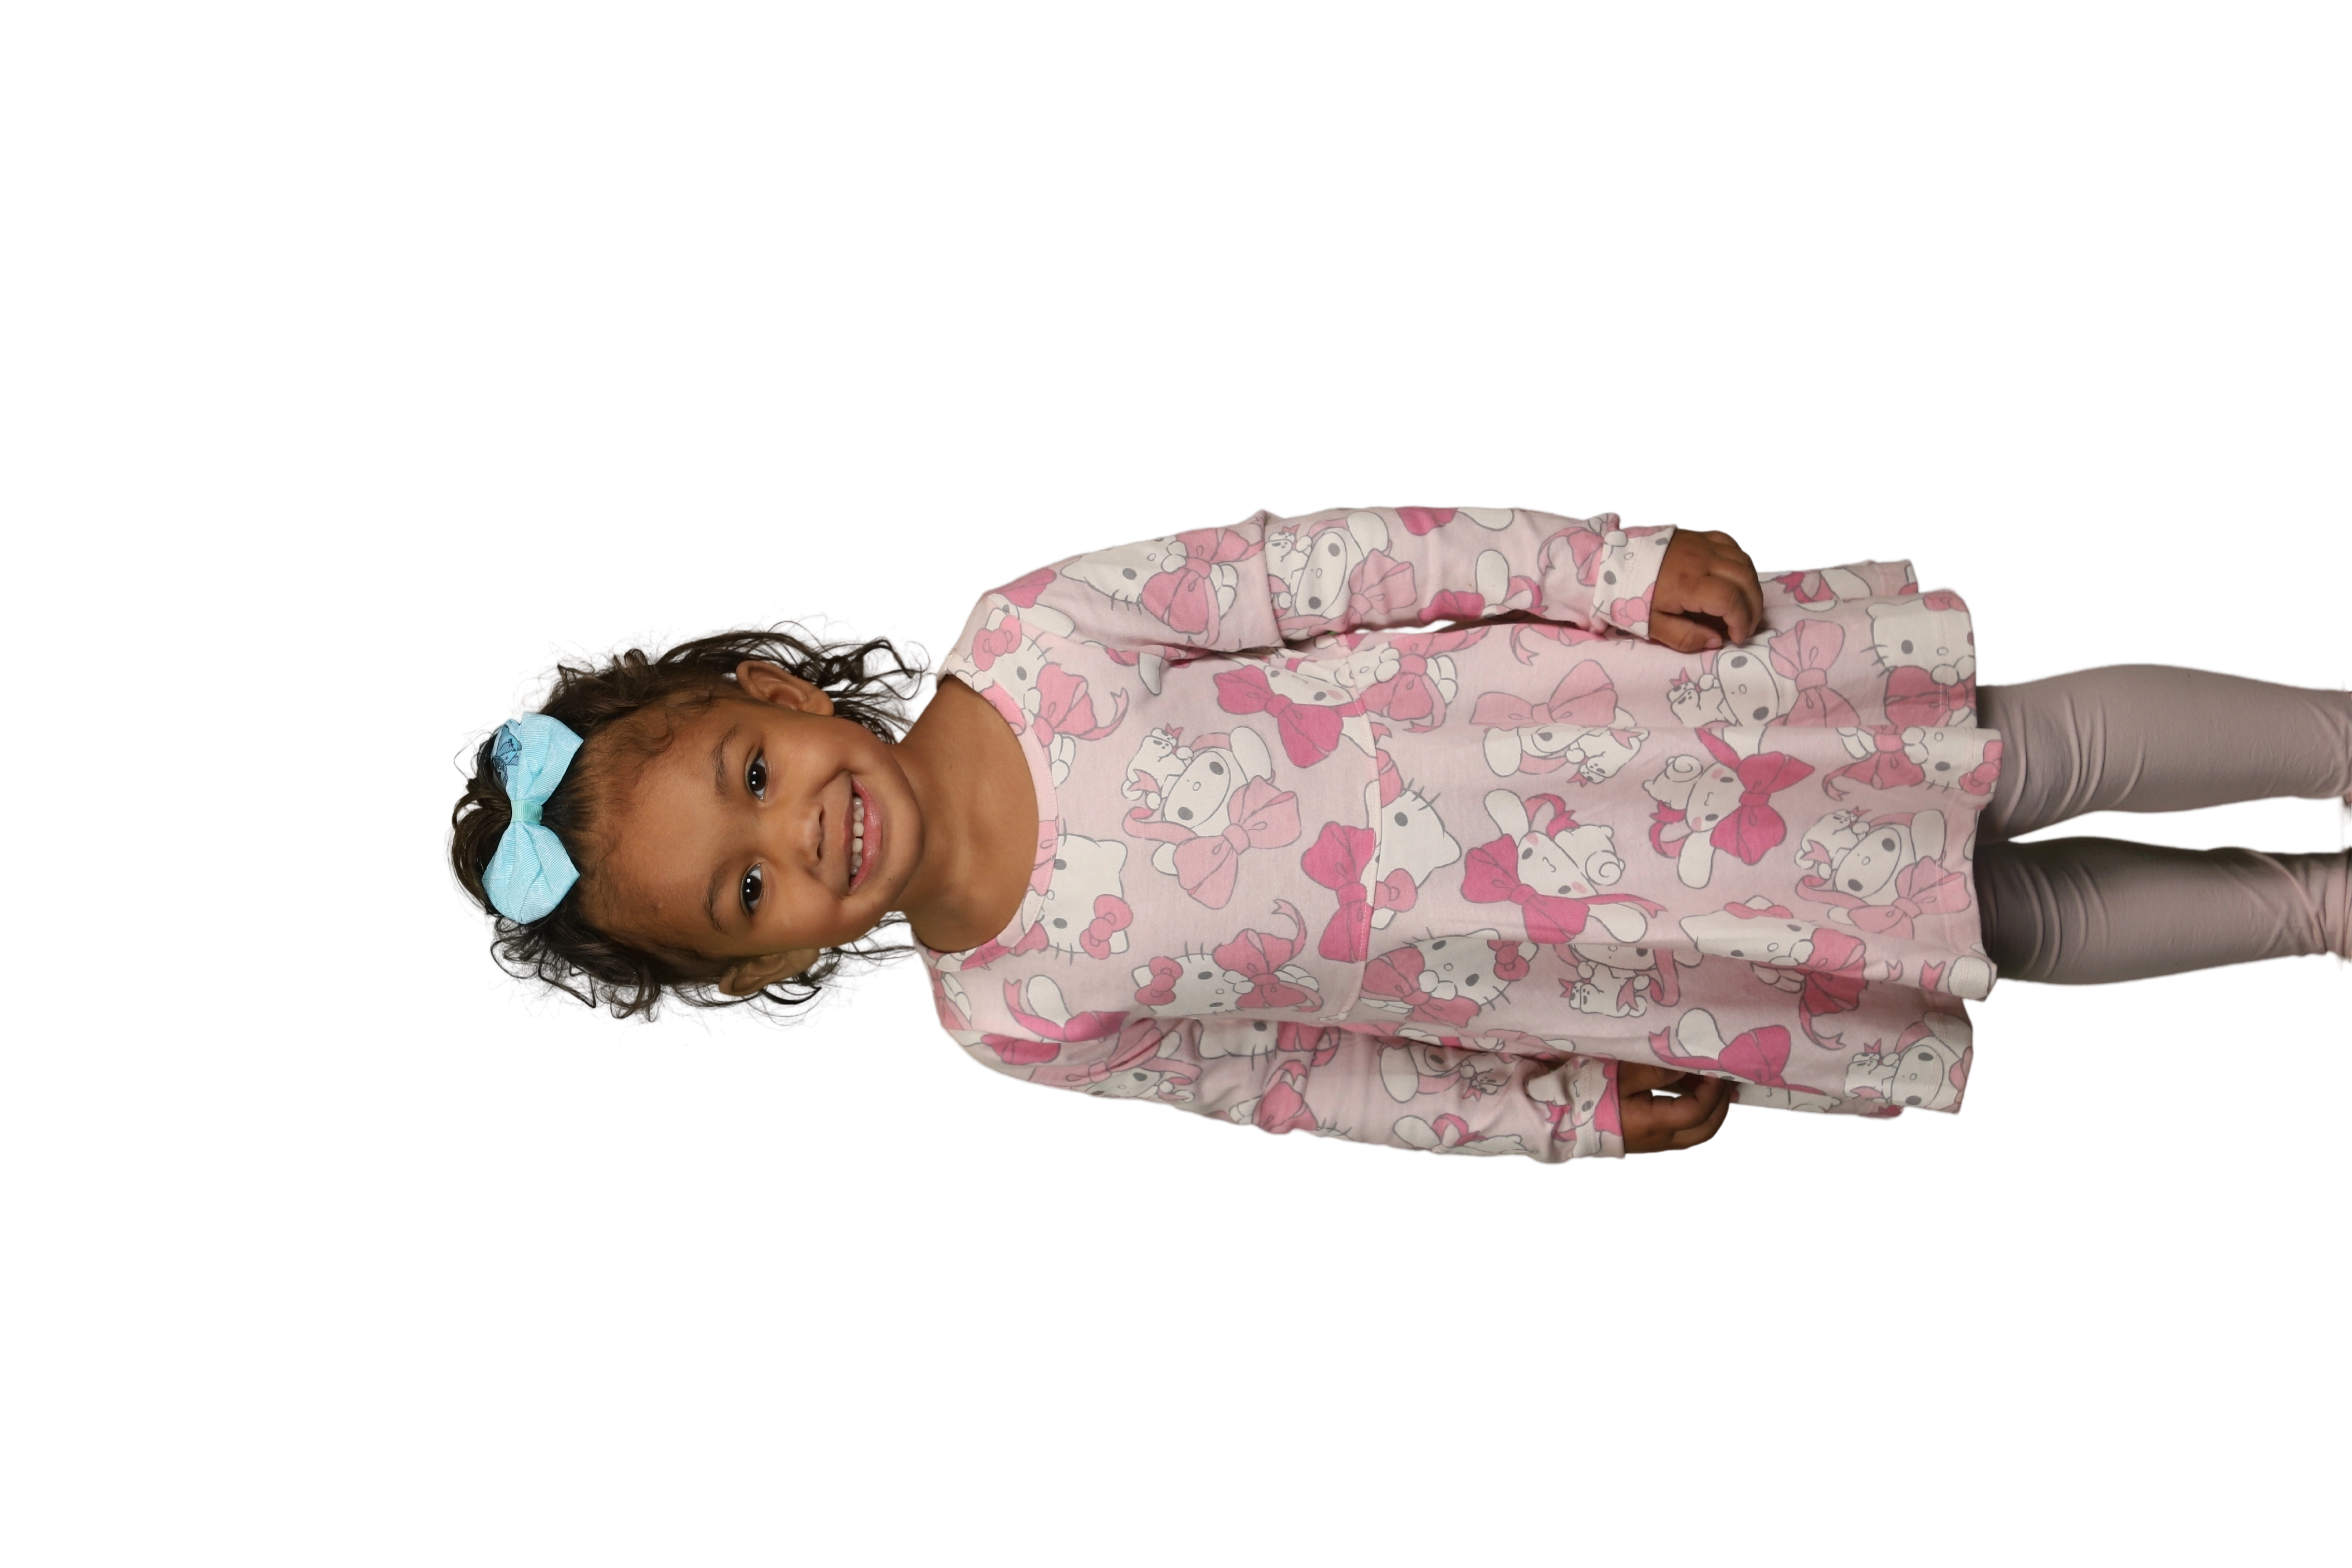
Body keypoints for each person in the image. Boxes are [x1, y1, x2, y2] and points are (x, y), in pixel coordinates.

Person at [441, 506, 2352, 1163]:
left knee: (2014, 752)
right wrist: (1562, 1114)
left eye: (750, 778)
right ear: (772, 963)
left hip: (1644, 724)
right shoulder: (1013, 1018)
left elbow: (1332, 566)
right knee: (2004, 933)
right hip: (1603, 953)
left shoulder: (1041, 631)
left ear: (775, 692)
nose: (797, 838)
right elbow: (1310, 1086)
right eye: (746, 891)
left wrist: (1603, 571)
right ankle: (2318, 915)